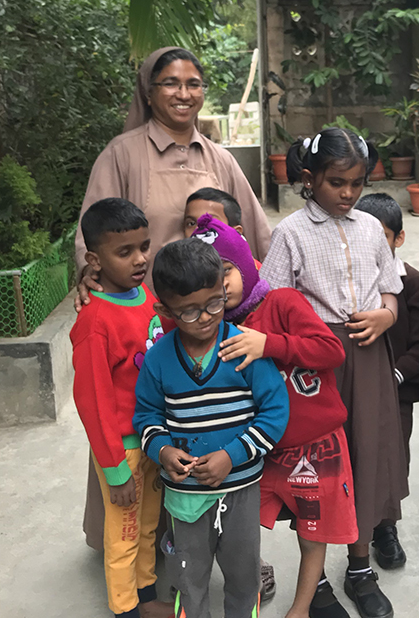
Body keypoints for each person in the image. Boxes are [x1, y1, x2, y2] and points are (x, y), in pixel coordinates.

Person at [76, 47, 273, 551]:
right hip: (144, 319)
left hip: (208, 318)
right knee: (138, 422)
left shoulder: (221, 159)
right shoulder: (121, 154)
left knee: (213, 419)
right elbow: (93, 235)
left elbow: (256, 235)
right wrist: (89, 277)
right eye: (170, 83)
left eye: (194, 82)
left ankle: (226, 544)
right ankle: (135, 547)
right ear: (148, 91)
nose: (183, 93)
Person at [260, 129, 407, 618]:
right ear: (309, 178)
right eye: (337, 182)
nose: (348, 193)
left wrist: (385, 315)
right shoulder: (290, 233)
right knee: (318, 471)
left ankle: (360, 566)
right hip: (312, 367)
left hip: (367, 358)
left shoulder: (369, 227)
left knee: (366, 456)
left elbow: (391, 288)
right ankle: (315, 578)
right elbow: (272, 303)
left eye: (357, 183)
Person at [194, 213, 358, 618]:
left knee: (312, 533)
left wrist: (270, 343)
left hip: (317, 446)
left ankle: (301, 608)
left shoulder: (282, 302)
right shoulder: (213, 327)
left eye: (227, 270)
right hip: (259, 451)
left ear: (248, 262)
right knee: (237, 531)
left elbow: (332, 351)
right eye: (210, 279)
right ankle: (246, 594)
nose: (222, 284)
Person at [133, 239, 289, 618]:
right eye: (188, 311)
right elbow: (146, 417)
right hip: (184, 496)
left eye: (214, 304)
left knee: (243, 576)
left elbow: (275, 412)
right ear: (164, 309)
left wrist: (231, 456)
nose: (205, 317)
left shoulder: (243, 348)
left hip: (240, 491)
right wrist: (163, 450)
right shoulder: (157, 360)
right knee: (188, 577)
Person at [69, 198, 173, 618]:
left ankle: (146, 597)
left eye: (144, 246)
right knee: (123, 534)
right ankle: (126, 609)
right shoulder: (94, 322)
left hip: (151, 442)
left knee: (147, 528)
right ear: (94, 259)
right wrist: (113, 468)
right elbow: (92, 401)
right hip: (124, 451)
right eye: (124, 251)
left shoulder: (144, 296)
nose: (140, 258)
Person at [354, 193, 419, 570]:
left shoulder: (414, 285)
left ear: (398, 239)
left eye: (382, 237)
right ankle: (354, 524)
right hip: (351, 389)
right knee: (353, 457)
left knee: (392, 460)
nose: (372, 246)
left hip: (397, 392)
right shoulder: (347, 283)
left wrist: (394, 376)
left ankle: (386, 528)